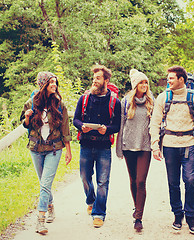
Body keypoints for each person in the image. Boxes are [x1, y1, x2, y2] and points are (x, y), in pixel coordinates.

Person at [149, 66, 194, 235]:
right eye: (168, 78)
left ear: (181, 79)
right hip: (169, 145)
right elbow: (155, 123)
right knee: (173, 183)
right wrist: (155, 145)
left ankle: (191, 217)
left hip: (188, 144)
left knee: (190, 180)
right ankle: (177, 215)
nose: (169, 80)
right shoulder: (162, 98)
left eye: (172, 78)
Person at [20, 71, 72, 235]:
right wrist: (28, 117)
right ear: (43, 85)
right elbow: (25, 125)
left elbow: (65, 128)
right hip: (35, 149)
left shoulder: (59, 104)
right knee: (43, 183)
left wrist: (68, 151)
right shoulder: (31, 103)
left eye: (55, 83)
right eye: (51, 83)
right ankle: (50, 206)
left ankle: (40, 221)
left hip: (54, 149)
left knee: (45, 184)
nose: (54, 86)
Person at [73, 65, 121, 228]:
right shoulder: (84, 98)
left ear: (106, 81)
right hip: (86, 144)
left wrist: (106, 129)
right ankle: (90, 200)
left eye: (98, 78)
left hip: (104, 147)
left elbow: (117, 125)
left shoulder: (115, 101)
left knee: (103, 181)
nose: (94, 81)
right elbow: (76, 119)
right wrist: (81, 127)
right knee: (85, 177)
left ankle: (99, 213)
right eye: (93, 78)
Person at [116, 69, 154, 232]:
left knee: (141, 181)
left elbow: (156, 124)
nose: (144, 85)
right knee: (132, 181)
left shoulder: (152, 102)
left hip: (145, 146)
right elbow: (120, 125)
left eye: (146, 82)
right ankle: (136, 206)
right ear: (135, 85)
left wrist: (156, 144)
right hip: (129, 146)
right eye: (141, 83)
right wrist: (119, 148)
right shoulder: (125, 102)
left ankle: (138, 217)